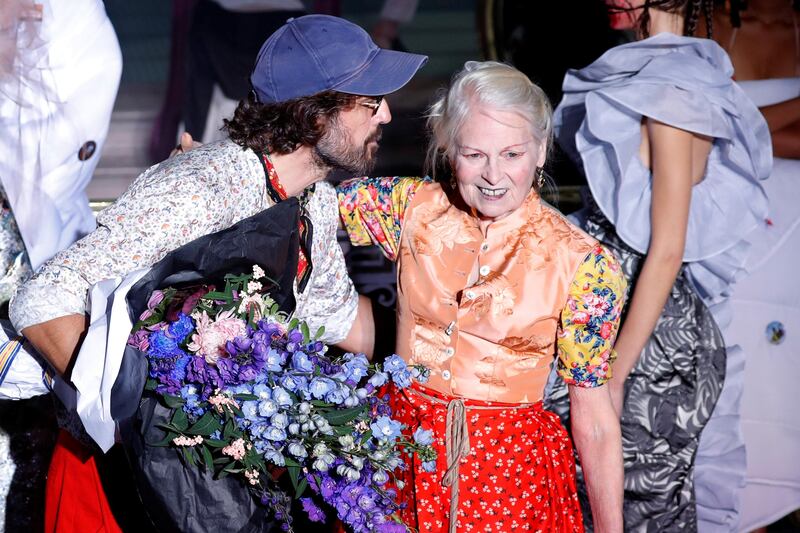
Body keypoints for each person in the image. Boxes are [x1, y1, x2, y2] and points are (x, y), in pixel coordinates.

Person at [8, 14, 426, 532]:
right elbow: (43, 298)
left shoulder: (314, 200)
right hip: (116, 489)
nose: (386, 114)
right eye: (369, 102)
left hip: (209, 489)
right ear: (315, 116)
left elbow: (337, 320)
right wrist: (129, 415)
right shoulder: (200, 186)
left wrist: (464, 326)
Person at [337, 61, 626, 532]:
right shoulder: (409, 206)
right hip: (398, 455)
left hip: (508, 478)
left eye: (512, 154)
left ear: (541, 149)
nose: (494, 175)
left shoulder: (585, 265)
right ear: (449, 148)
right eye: (474, 154)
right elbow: (299, 204)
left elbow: (593, 418)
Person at [547, 0, 772, 531]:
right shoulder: (666, 73)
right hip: (616, 313)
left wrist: (614, 372)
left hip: (642, 335)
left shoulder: (672, 90)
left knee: (632, 501)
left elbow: (668, 248)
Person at [712, 1, 800, 531]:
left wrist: (746, 135)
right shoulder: (705, 19)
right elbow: (699, 136)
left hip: (793, 211)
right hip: (726, 212)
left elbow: (734, 136)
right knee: (738, 347)